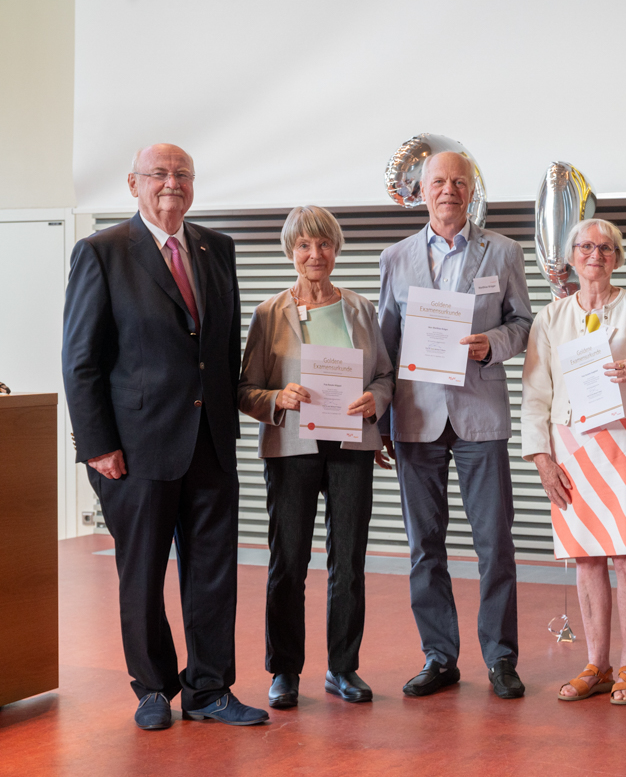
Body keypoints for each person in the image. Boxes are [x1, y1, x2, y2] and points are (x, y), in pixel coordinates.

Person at [61, 144, 268, 728]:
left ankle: (209, 689)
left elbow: (224, 350)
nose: (171, 182)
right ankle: (152, 688)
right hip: (135, 449)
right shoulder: (101, 252)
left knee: (212, 572)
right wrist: (97, 444)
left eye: (182, 174)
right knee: (142, 572)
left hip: (209, 441)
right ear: (133, 183)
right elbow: (81, 360)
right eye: (159, 173)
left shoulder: (216, 249)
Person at [377, 151, 533, 699]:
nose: (448, 191)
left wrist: (494, 344)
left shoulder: (504, 251)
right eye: (438, 182)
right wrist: (379, 423)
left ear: (471, 191)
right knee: (425, 545)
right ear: (421, 190)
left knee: (495, 543)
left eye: (459, 182)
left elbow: (523, 323)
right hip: (416, 417)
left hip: (480, 414)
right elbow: (384, 344)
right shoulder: (394, 257)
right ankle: (439, 656)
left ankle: (501, 657)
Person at [238, 206, 395, 709]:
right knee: (289, 562)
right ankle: (284, 670)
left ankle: (343, 668)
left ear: (336, 250)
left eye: (324, 245)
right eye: (304, 245)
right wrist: (276, 399)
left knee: (348, 562)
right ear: (291, 252)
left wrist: (378, 399)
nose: (315, 255)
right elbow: (244, 389)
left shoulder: (360, 309)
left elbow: (385, 375)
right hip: (292, 449)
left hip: (351, 446)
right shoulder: (269, 313)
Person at [520, 219, 626, 705]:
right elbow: (534, 395)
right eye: (585, 246)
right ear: (571, 256)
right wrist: (543, 460)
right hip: (571, 443)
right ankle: (597, 664)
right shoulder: (550, 318)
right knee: (586, 557)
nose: (595, 254)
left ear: (617, 256)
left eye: (605, 247)